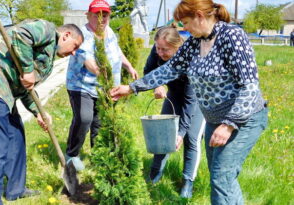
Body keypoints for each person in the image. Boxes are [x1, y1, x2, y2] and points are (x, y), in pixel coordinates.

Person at [110, 0, 268, 204]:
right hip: (214, 120)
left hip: (243, 119)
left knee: (221, 178)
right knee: (222, 178)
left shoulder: (232, 36)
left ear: (200, 17)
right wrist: (131, 88)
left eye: (185, 22)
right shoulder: (195, 42)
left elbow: (249, 85)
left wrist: (229, 124)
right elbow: (169, 69)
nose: (184, 28)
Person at [0, 19, 83, 205]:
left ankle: (15, 189)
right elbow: (20, 35)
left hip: (6, 88)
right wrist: (28, 70)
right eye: (75, 46)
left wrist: (38, 111)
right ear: (66, 35)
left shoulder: (49, 56)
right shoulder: (47, 29)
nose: (74, 52)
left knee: (16, 136)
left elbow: (26, 86)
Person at [65, 0, 139, 171]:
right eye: (97, 14)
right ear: (88, 15)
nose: (101, 18)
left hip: (104, 87)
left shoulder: (109, 31)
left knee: (99, 122)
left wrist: (128, 65)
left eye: (105, 14)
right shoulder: (81, 35)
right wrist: (101, 74)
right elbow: (89, 62)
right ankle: (72, 154)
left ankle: (98, 156)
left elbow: (116, 50)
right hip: (81, 86)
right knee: (84, 118)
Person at [144, 26, 205, 198]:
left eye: (165, 49)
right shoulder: (157, 51)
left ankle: (187, 183)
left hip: (198, 98)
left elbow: (190, 101)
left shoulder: (191, 60)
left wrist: (181, 132)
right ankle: (155, 175)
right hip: (173, 94)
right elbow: (148, 71)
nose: (160, 52)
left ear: (177, 47)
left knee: (191, 138)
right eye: (158, 48)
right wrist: (157, 84)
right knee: (163, 133)